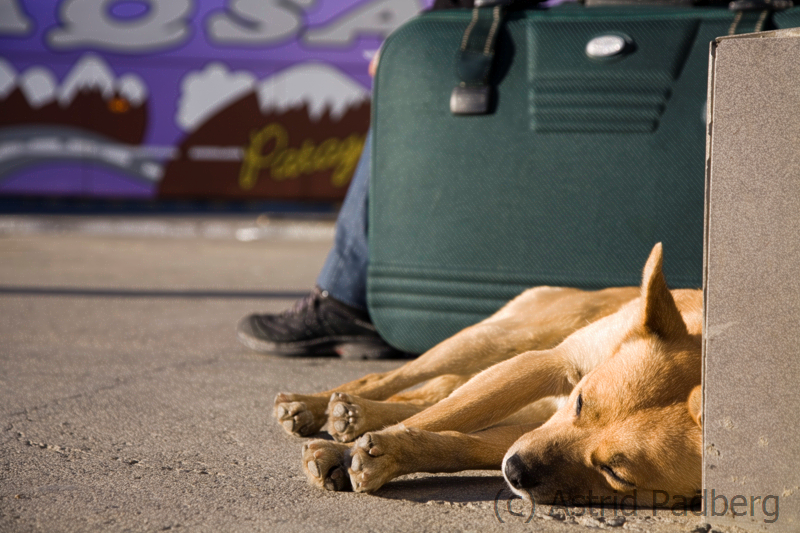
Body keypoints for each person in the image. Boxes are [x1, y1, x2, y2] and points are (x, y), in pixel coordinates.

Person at [237, 0, 543, 360]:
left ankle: (345, 299)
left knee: (403, 109)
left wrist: (426, 32)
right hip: (571, 28)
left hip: (515, 25)